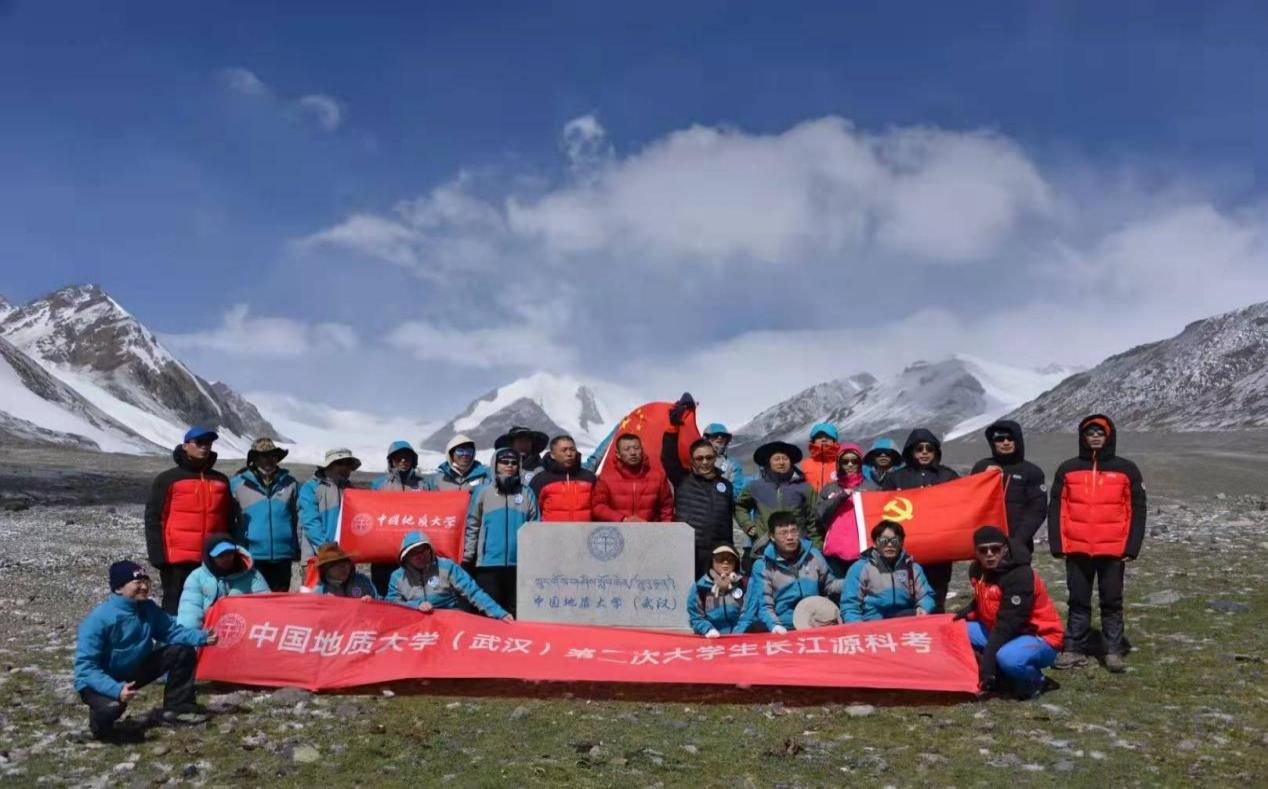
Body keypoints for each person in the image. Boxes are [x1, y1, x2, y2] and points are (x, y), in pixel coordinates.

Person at [74, 560, 218, 742]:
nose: (144, 587)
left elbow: (170, 631)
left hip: (134, 671)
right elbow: (85, 669)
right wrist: (116, 689)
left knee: (182, 650)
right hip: (102, 680)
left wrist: (201, 637)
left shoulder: (148, 608)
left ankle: (177, 708)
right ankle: (100, 730)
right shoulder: (99, 619)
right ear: (118, 588)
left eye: (146, 582)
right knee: (112, 707)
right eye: (137, 583)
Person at [1048, 415, 1146, 674]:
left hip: (1113, 549)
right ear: (1083, 437)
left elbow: (1137, 508)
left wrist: (1132, 546)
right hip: (1077, 548)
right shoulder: (1067, 468)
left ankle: (1113, 650)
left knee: (1111, 600)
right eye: (1089, 433)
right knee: (1078, 600)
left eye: (1099, 433)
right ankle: (1074, 648)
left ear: (1108, 436)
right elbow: (1057, 507)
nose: (1094, 437)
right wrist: (1057, 543)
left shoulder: (1127, 469)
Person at [957, 526, 1063, 699]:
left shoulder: (1020, 575)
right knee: (956, 630)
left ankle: (1036, 681)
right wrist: (966, 613)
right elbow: (984, 600)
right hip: (1001, 629)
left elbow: (1009, 623)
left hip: (1038, 636)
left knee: (1008, 658)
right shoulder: (977, 570)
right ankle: (998, 676)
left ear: (1005, 549)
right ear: (976, 552)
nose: (989, 554)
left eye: (995, 549)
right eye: (983, 550)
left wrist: (988, 664)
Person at [144, 427, 232, 614]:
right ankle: (172, 634)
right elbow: (153, 518)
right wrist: (157, 555)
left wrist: (230, 551)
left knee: (211, 606)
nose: (204, 447)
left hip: (212, 558)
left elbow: (229, 518)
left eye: (208, 443)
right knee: (175, 607)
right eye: (199, 442)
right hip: (176, 559)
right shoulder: (168, 479)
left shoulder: (221, 481)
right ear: (185, 446)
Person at [882, 428, 959, 612]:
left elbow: (964, 498)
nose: (924, 452)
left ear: (936, 452)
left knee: (937, 596)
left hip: (939, 549)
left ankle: (936, 625)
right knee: (905, 597)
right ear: (911, 451)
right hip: (906, 549)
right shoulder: (895, 478)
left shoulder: (948, 476)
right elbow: (882, 509)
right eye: (919, 448)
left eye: (929, 449)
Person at [663, 394, 735, 578]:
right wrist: (673, 426)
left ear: (715, 458)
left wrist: (729, 549)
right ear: (693, 461)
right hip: (687, 549)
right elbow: (668, 457)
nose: (704, 462)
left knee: (713, 593)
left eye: (709, 457)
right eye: (699, 458)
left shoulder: (725, 485)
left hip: (716, 552)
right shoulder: (682, 478)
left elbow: (727, 523)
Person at [463, 448, 539, 614]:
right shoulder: (483, 492)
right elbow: (473, 525)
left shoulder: (527, 493)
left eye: (514, 463)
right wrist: (468, 557)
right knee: (489, 612)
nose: (509, 466)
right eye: (504, 462)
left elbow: (535, 528)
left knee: (516, 612)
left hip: (519, 564)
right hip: (488, 564)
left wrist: (534, 558)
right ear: (495, 465)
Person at [748, 511, 841, 633]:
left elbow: (829, 585)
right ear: (772, 536)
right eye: (783, 533)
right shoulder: (762, 566)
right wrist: (775, 626)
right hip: (785, 626)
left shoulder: (814, 555)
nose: (790, 537)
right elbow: (764, 605)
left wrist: (850, 581)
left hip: (817, 622)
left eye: (793, 531)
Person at [387, 531, 512, 620]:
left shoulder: (447, 566)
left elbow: (473, 592)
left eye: (423, 550)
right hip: (415, 622)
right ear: (406, 557)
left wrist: (500, 613)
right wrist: (416, 605)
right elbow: (391, 604)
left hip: (449, 620)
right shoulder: (397, 577)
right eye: (414, 553)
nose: (420, 556)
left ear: (430, 550)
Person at [229, 438, 298, 592]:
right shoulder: (237, 484)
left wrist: (296, 547)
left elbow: (297, 518)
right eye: (263, 456)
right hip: (251, 555)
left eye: (273, 455)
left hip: (283, 555)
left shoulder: (290, 483)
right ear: (254, 458)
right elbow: (229, 519)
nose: (269, 460)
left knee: (280, 601)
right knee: (254, 601)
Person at [971, 421, 1047, 557]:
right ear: (993, 443)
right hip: (986, 546)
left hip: (1019, 544)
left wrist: (1017, 541)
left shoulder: (1032, 471)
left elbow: (1037, 510)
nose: (1006, 443)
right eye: (1000, 439)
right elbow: (970, 500)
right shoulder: (981, 467)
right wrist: (983, 477)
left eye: (1010, 438)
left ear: (1017, 440)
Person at [735, 440, 816, 560]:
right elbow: (739, 506)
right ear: (769, 462)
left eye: (785, 459)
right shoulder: (755, 486)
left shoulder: (804, 487)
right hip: (765, 546)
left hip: (798, 546)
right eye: (777, 459)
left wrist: (815, 548)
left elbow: (814, 520)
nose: (781, 463)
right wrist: (748, 525)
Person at [368, 439, 430, 595]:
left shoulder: (423, 485)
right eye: (398, 457)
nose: (403, 461)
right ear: (391, 460)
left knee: (413, 591)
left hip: (414, 548)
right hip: (385, 551)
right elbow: (371, 513)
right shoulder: (379, 485)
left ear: (413, 460)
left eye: (407, 457)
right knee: (383, 591)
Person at [840, 521, 935, 622]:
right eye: (884, 541)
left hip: (905, 621)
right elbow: (849, 606)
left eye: (895, 541)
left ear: (901, 543)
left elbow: (926, 596)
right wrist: (859, 627)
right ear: (875, 543)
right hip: (872, 623)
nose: (889, 545)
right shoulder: (859, 568)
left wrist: (923, 608)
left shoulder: (912, 568)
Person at [176, 536, 269, 629]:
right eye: (220, 556)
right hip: (208, 630)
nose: (226, 558)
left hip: (245, 627)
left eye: (229, 553)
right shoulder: (196, 577)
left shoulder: (252, 575)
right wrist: (192, 634)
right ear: (210, 557)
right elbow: (190, 609)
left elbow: (265, 605)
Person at [816, 444, 876, 576]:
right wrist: (841, 496)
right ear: (839, 463)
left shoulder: (872, 487)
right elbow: (820, 513)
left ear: (860, 463)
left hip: (864, 551)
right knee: (837, 586)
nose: (850, 464)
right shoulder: (830, 488)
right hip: (834, 551)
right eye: (845, 461)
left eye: (854, 461)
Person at [591, 433, 674, 523]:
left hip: (649, 529)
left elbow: (667, 507)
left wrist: (664, 528)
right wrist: (623, 519)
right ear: (618, 454)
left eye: (636, 448)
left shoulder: (658, 476)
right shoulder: (606, 478)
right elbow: (598, 507)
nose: (633, 453)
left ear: (642, 450)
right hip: (617, 529)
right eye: (627, 449)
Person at [298, 449, 361, 563]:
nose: (346, 468)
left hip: (344, 555)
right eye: (341, 463)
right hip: (316, 555)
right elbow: (310, 522)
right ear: (330, 465)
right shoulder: (311, 487)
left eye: (348, 464)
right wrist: (328, 549)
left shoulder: (352, 490)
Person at [687, 545, 753, 637]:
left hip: (741, 638)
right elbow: (696, 617)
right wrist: (708, 630)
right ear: (712, 561)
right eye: (720, 559)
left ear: (736, 563)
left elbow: (749, 614)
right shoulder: (699, 587)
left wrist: (737, 633)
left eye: (730, 559)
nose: (725, 562)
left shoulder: (745, 584)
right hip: (711, 638)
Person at [529, 434, 598, 521]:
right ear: (552, 455)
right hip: (551, 529)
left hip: (585, 529)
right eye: (564, 450)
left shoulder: (589, 478)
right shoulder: (541, 480)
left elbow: (598, 508)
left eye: (572, 449)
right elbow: (532, 512)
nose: (569, 454)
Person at [310, 543, 378, 599]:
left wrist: (372, 602)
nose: (343, 567)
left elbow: (379, 602)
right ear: (326, 570)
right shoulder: (320, 592)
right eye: (336, 565)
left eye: (345, 562)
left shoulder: (363, 581)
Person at [702, 423, 749, 494]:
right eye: (715, 435)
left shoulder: (733, 465)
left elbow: (736, 490)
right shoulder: (696, 461)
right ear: (706, 439)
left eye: (724, 436)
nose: (720, 437)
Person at [799, 422, 841, 493]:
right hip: (812, 500)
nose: (824, 439)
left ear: (834, 441)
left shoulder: (842, 463)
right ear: (813, 441)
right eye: (819, 437)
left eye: (828, 436)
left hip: (839, 499)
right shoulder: (803, 465)